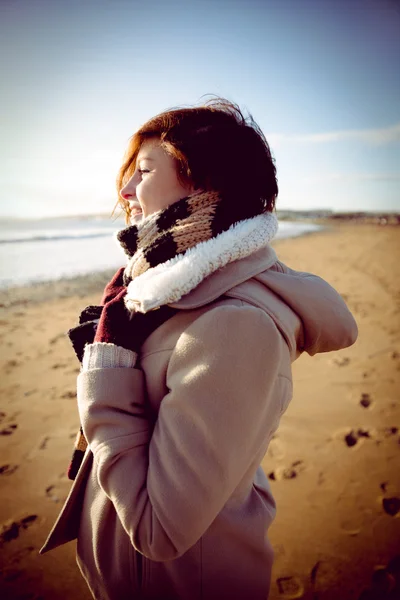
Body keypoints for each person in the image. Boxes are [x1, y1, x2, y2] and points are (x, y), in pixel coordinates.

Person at [40, 99, 358, 600]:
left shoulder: (236, 327)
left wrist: (106, 363)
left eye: (143, 171)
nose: (126, 191)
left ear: (208, 184)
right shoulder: (154, 290)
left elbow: (159, 530)